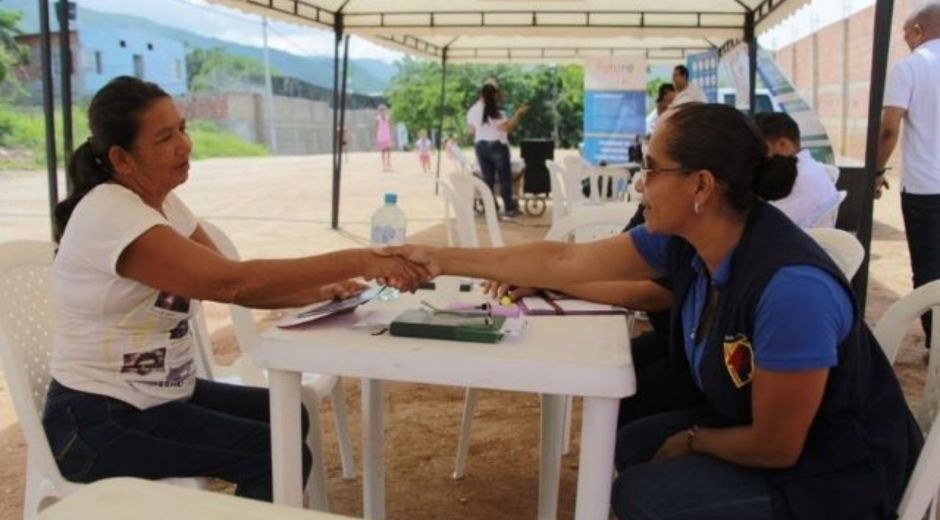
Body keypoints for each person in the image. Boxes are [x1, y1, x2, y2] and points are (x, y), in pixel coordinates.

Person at [381, 103, 922, 518]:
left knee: (642, 491)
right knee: (633, 438)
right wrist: (438, 258)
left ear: (701, 187)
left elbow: (778, 446)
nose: (641, 182)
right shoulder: (687, 240)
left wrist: (693, 441)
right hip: (779, 439)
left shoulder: (791, 291)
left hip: (836, 475)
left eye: (653, 167)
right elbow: (568, 257)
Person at [42, 76, 426, 502]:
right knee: (273, 453)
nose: (184, 144)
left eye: (183, 128)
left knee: (288, 417)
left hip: (155, 397)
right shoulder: (112, 214)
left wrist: (319, 291)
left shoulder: (162, 202)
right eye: (166, 137)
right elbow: (234, 285)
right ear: (122, 159)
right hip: (97, 421)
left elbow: (228, 277)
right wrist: (360, 259)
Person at [876, 1, 940, 352]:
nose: (906, 42)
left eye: (906, 35)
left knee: (929, 268)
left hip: (925, 188)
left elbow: (889, 129)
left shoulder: (911, 68)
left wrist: (875, 171)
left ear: (918, 30)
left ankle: (937, 345)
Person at [754, 112, 840, 228]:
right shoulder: (810, 168)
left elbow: (765, 227)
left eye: (759, 148)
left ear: (782, 144)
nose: (756, 155)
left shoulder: (797, 180)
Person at [466, 83, 529, 217]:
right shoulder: (497, 112)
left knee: (487, 179)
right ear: (495, 96)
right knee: (504, 178)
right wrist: (518, 115)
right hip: (497, 146)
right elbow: (506, 128)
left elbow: (471, 131)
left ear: (480, 95)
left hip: (480, 147)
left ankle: (491, 208)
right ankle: (509, 209)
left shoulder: (472, 110)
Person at [375, 104, 393, 171]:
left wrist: (390, 133)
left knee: (388, 149)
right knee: (382, 151)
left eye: (384, 110)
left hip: (387, 135)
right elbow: (376, 127)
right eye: (381, 110)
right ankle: (383, 165)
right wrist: (377, 135)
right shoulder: (377, 118)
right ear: (379, 111)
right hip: (381, 135)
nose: (383, 112)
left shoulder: (388, 118)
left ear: (386, 111)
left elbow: (391, 126)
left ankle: (389, 162)